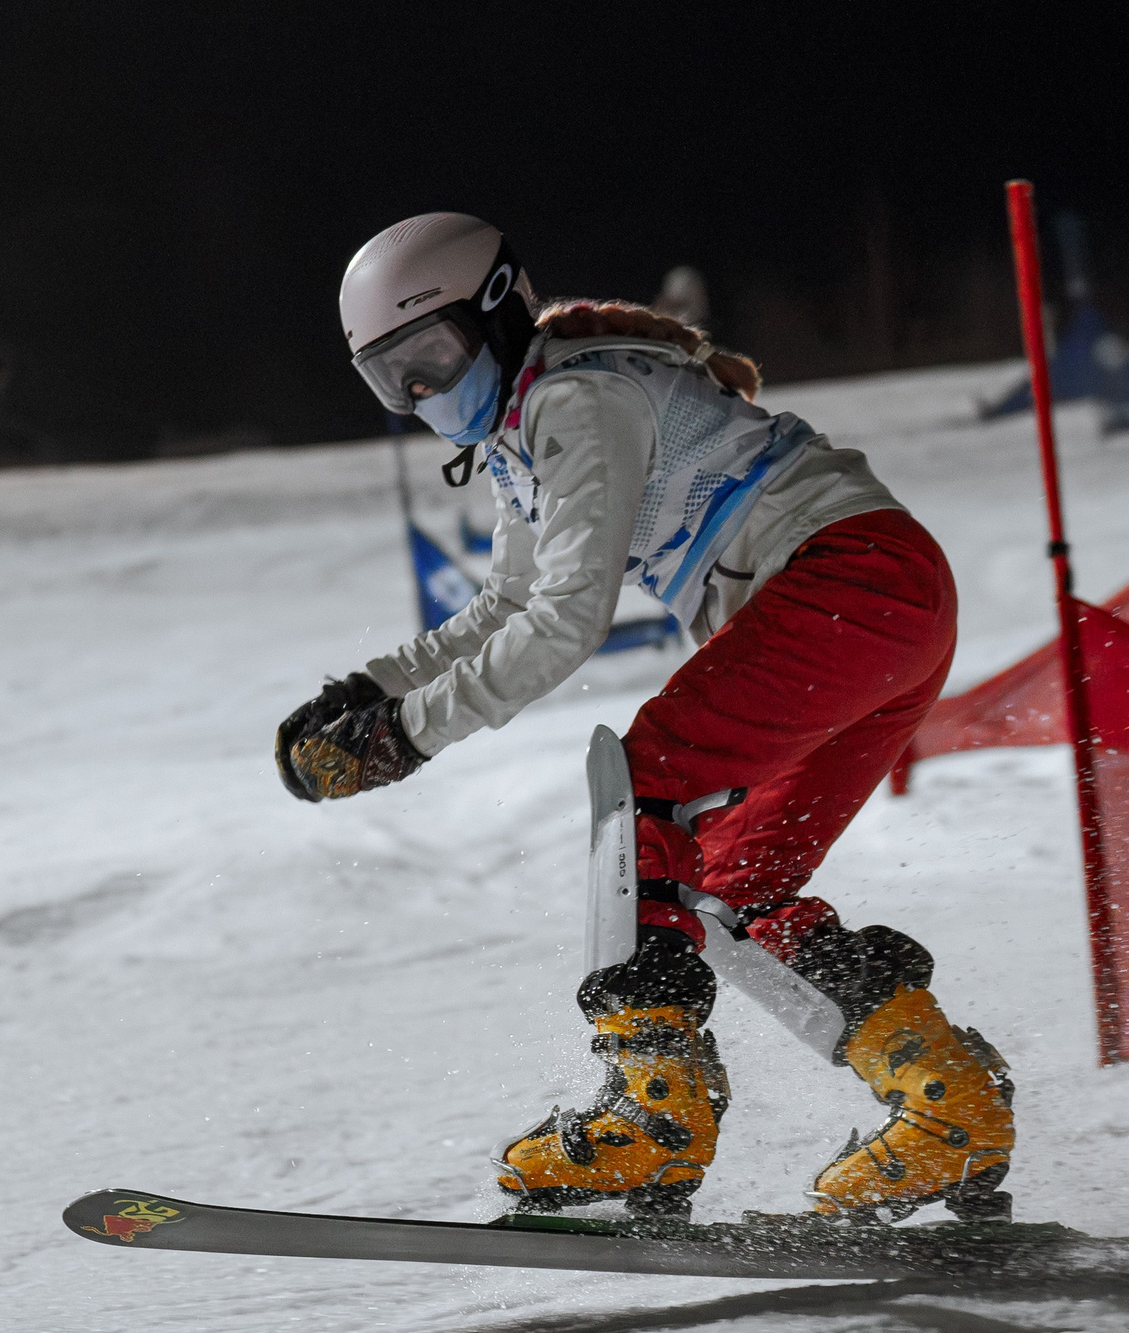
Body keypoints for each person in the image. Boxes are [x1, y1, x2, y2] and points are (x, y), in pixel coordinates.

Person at [276, 212, 1015, 1224]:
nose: (420, 394)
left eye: (431, 358)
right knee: (735, 883)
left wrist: (406, 734)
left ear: (497, 312)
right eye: (389, 378)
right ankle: (947, 1104)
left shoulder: (577, 401)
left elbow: (565, 621)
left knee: (644, 782)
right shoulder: (527, 425)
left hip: (847, 584)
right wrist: (369, 692)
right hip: (886, 602)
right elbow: (506, 603)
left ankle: (653, 1113)